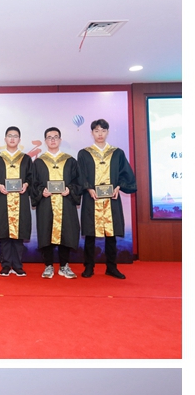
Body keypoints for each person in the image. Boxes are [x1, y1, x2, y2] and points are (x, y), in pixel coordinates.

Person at [79, 119, 137, 279]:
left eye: (103, 131)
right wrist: (89, 188)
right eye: (97, 131)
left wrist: (118, 186)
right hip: (92, 198)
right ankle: (89, 267)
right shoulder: (84, 153)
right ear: (91, 133)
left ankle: (111, 267)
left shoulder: (117, 153)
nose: (100, 134)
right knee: (90, 234)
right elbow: (80, 175)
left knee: (111, 234)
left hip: (111, 198)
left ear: (107, 132)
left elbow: (126, 175)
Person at [31, 127, 82, 279]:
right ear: (45, 141)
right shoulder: (39, 162)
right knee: (46, 231)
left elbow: (78, 182)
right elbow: (33, 183)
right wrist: (42, 191)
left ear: (60, 140)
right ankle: (48, 265)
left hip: (66, 202)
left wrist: (69, 189)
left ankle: (64, 266)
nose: (52, 140)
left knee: (66, 232)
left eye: (55, 137)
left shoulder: (70, 161)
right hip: (46, 203)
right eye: (49, 137)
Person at [0, 127, 33, 277]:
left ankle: (18, 265)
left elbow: (32, 177)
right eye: (10, 136)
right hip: (3, 199)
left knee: (19, 234)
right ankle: (6, 265)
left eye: (15, 136)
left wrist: (26, 184)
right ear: (5, 139)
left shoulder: (26, 159)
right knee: (4, 233)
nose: (12, 138)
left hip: (20, 199)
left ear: (19, 139)